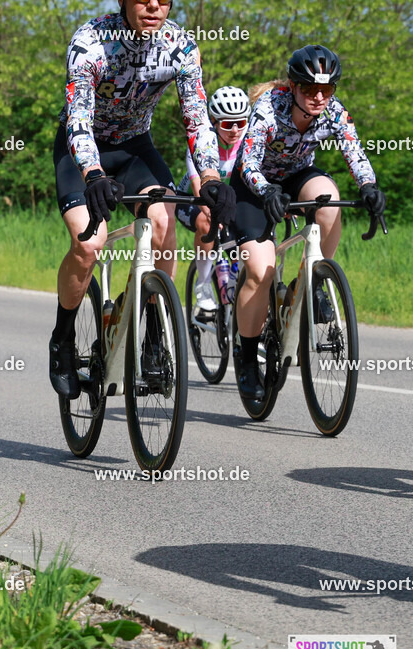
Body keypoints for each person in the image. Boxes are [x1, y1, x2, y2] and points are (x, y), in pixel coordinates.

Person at [49, 0, 236, 398]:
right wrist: (93, 173)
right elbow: (78, 116)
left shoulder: (181, 45)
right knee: (89, 244)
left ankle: (152, 335)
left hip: (135, 148)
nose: (153, 5)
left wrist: (210, 176)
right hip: (81, 148)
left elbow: (197, 118)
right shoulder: (90, 41)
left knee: (163, 224)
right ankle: (62, 338)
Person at [231, 45, 385, 399]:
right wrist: (266, 190)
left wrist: (369, 186)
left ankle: (312, 282)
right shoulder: (269, 108)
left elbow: (354, 151)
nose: (318, 97)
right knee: (260, 271)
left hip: (297, 176)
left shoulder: (333, 111)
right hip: (254, 186)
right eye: (309, 89)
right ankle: (248, 359)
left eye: (326, 89)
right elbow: (248, 162)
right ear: (293, 86)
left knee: (329, 201)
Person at [174, 86, 251, 311]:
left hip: (228, 200)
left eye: (241, 123)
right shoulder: (202, 141)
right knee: (207, 223)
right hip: (192, 200)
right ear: (215, 122)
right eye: (228, 124)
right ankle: (203, 284)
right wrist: (212, 213)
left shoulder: (248, 140)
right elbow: (197, 186)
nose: (235, 130)